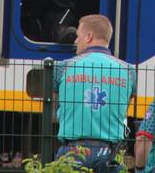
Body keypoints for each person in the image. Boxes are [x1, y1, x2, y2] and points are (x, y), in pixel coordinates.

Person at [55, 14, 137, 172]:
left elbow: (56, 102)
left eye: (78, 35)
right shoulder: (129, 71)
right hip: (110, 153)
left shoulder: (64, 67)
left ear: (89, 36)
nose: (75, 41)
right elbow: (125, 107)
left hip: (72, 152)